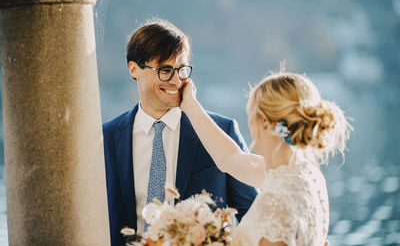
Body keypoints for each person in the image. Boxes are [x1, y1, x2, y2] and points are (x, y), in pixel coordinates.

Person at [102, 19, 258, 246]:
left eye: (181, 69)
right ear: (134, 68)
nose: (176, 80)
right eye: (165, 70)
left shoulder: (222, 131)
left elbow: (253, 216)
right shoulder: (105, 138)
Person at [180, 71, 351, 246]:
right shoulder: (308, 174)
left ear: (264, 123)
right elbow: (230, 158)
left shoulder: (275, 202)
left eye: (250, 114)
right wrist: (190, 106)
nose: (249, 122)